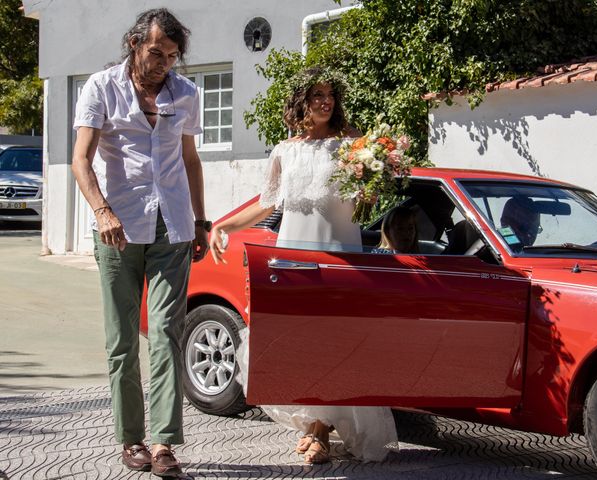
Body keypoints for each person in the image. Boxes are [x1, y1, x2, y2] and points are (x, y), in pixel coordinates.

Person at [209, 66, 397, 464]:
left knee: (336, 339)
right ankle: (315, 426)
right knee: (302, 341)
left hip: (338, 254)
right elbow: (266, 204)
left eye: (330, 95)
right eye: (316, 95)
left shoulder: (353, 144)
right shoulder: (284, 151)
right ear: (301, 102)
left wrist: (371, 184)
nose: (325, 101)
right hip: (293, 256)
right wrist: (223, 223)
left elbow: (367, 203)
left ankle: (320, 432)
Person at [71, 9, 208, 478]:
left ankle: (165, 442)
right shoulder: (100, 87)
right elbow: (80, 161)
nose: (163, 64)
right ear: (134, 43)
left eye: (171, 56)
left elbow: (190, 160)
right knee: (122, 341)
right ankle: (130, 439)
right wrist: (102, 211)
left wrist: (202, 220)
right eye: (156, 53)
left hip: (172, 226)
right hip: (119, 228)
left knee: (167, 335)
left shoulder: (187, 94)